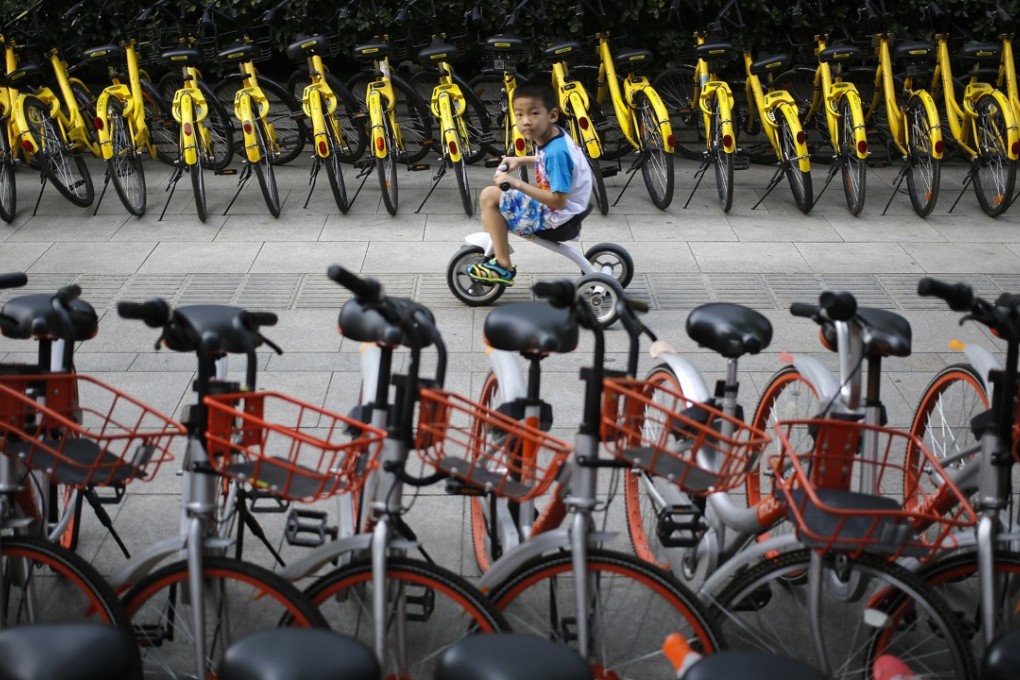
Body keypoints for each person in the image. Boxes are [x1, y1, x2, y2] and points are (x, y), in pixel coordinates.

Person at [468, 83, 593, 286]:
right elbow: (550, 162)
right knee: (494, 197)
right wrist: (520, 160)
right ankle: (500, 248)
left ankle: (503, 266)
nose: (525, 122)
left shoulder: (555, 153)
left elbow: (559, 201)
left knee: (489, 197)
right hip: (569, 210)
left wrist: (515, 183)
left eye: (534, 113)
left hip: (557, 218)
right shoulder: (555, 135)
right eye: (518, 115)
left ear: (552, 115)